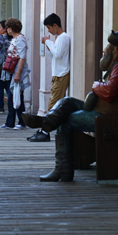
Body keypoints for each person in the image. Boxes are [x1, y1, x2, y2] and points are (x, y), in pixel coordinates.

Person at [36, 31, 118, 182]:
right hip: (100, 109)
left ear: (115, 50)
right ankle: (47, 121)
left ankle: (62, 169)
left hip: (106, 116)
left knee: (65, 121)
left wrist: (96, 85)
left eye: (108, 46)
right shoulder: (116, 66)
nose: (104, 49)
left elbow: (109, 92)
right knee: (67, 101)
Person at [29, 13, 71, 143]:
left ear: (55, 25)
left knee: (53, 105)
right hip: (58, 74)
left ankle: (44, 131)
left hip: (61, 74)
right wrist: (48, 45)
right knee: (55, 104)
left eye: (49, 27)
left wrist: (47, 41)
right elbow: (54, 55)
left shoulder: (63, 37)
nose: (49, 31)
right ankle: (47, 130)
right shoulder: (59, 38)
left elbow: (57, 54)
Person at [0, 18, 28, 130]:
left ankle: (20, 121)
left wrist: (18, 73)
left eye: (8, 28)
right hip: (12, 71)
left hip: (16, 71)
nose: (7, 30)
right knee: (13, 96)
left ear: (11, 28)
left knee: (16, 96)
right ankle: (12, 122)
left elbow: (22, 57)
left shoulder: (20, 40)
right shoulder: (16, 39)